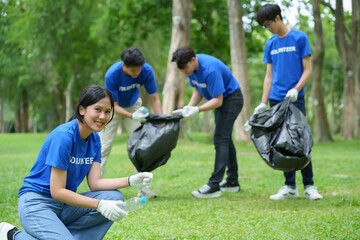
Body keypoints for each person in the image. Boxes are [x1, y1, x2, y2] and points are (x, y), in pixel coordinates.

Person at [0, 85, 153, 240]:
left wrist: (130, 180)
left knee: (115, 198)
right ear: (82, 110)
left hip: (64, 206)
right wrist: (99, 204)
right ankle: (12, 235)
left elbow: (96, 183)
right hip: (37, 204)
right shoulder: (64, 137)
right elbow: (57, 191)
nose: (103, 116)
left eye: (107, 111)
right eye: (98, 109)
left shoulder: (94, 139)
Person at [255, 4, 322, 200]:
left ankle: (309, 186)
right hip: (276, 99)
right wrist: (263, 101)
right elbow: (269, 76)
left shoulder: (300, 38)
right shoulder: (270, 44)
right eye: (264, 26)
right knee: (281, 142)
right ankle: (289, 186)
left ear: (277, 18)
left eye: (268, 24)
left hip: (295, 98)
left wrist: (296, 89)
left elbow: (307, 70)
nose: (267, 29)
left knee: (299, 140)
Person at [172, 46, 243, 199]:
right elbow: (198, 90)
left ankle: (214, 185)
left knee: (220, 139)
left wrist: (197, 110)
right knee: (225, 139)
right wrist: (189, 107)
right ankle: (232, 181)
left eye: (185, 68)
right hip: (222, 101)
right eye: (181, 69)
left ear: (193, 59)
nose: (184, 72)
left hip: (232, 99)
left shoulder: (210, 69)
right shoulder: (192, 70)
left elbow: (218, 100)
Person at [99, 47, 162, 198]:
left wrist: (160, 119)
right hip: (111, 108)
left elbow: (154, 98)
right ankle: (97, 188)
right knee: (103, 148)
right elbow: (113, 105)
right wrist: (131, 115)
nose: (137, 73)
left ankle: (144, 189)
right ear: (124, 66)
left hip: (133, 105)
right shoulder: (112, 75)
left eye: (139, 69)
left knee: (142, 148)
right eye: (133, 70)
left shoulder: (146, 70)